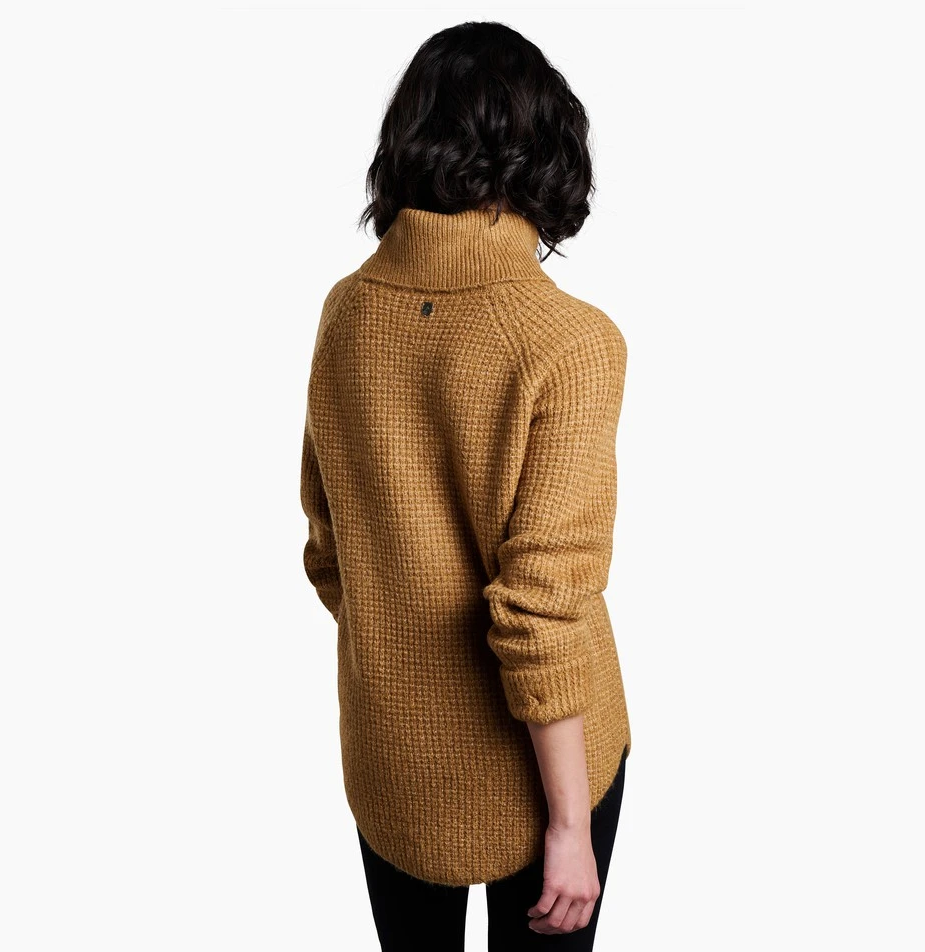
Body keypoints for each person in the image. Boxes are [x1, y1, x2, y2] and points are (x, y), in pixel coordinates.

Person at [299, 20, 633, 951]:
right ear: (547, 148)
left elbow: (329, 549)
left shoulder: (347, 315)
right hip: (550, 771)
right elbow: (543, 606)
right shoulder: (571, 343)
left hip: (392, 762)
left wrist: (402, 652)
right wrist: (568, 825)